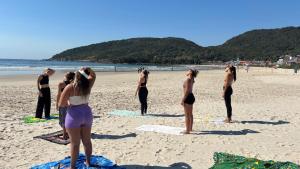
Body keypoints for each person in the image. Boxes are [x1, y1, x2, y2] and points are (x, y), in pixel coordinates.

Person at [59, 67, 96, 169]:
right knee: (87, 141)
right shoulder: (88, 85)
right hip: (87, 113)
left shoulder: (70, 87)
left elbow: (61, 104)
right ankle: (88, 162)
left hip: (74, 115)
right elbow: (93, 75)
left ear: (77, 75)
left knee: (75, 144)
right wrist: (89, 69)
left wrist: (70, 103)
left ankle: (72, 167)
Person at [56, 72, 75, 140]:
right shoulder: (73, 84)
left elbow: (59, 94)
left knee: (63, 119)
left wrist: (57, 103)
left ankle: (64, 135)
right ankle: (69, 132)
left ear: (66, 76)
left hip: (63, 102)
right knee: (69, 118)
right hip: (71, 102)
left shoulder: (61, 84)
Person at [181, 69, 198, 134]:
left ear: (190, 73)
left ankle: (187, 130)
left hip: (188, 97)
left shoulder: (188, 79)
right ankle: (190, 128)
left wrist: (183, 100)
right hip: (191, 96)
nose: (186, 71)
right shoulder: (192, 79)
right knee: (190, 114)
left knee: (187, 115)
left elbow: (187, 91)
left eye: (188, 70)